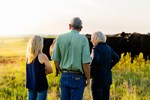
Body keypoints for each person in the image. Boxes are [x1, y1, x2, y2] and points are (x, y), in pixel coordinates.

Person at [51, 17, 91, 100]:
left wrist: (61, 71)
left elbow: (56, 60)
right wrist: (87, 77)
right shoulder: (84, 39)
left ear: (69, 26)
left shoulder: (60, 37)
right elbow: (85, 63)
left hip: (64, 75)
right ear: (81, 28)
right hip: (78, 77)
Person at [90, 31, 120, 100]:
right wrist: (109, 66)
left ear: (96, 38)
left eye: (92, 38)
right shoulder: (108, 47)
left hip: (98, 79)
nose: (91, 40)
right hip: (107, 78)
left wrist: (91, 73)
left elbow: (95, 60)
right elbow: (117, 58)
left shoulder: (96, 48)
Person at [26, 35, 53, 100]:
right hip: (41, 86)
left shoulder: (28, 55)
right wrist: (43, 73)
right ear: (40, 44)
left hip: (30, 85)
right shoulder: (42, 56)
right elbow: (50, 70)